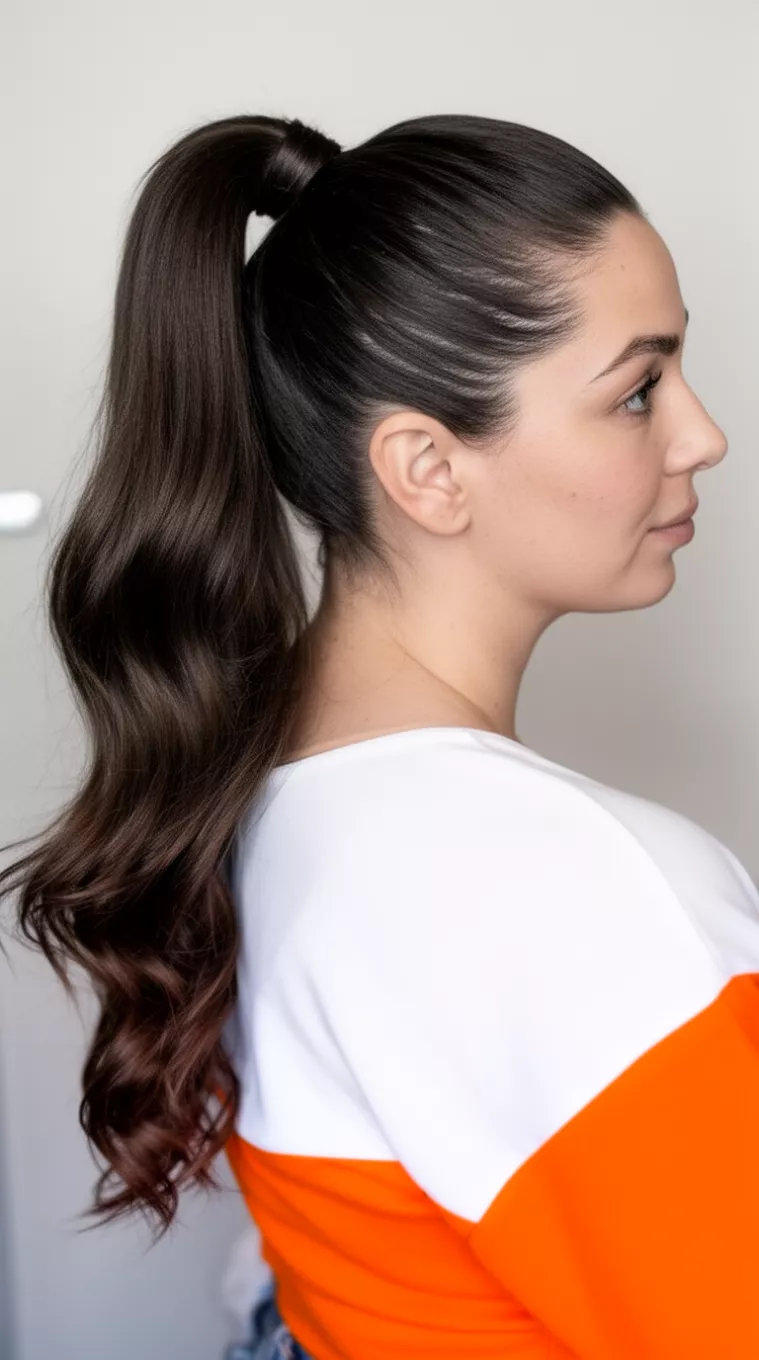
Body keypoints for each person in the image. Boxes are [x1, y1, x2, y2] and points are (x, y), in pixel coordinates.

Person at [1, 109, 755, 1360]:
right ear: (427, 469)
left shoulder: (259, 794)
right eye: (638, 389)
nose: (704, 435)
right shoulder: (590, 889)